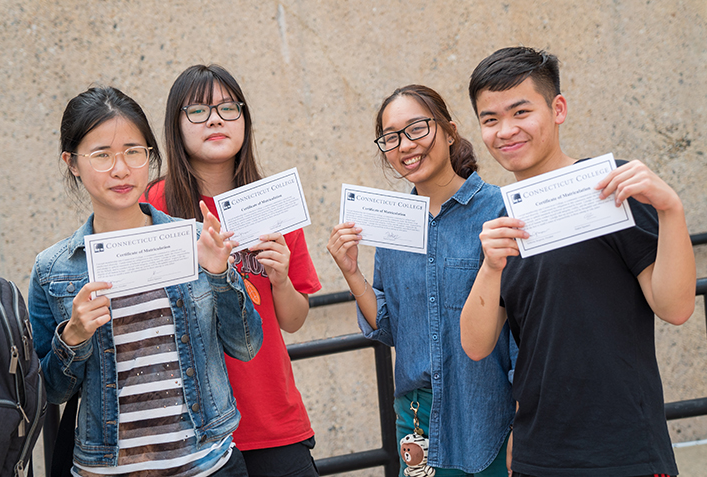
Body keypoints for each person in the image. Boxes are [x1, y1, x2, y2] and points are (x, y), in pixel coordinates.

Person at [461, 46, 696, 477]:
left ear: (558, 109)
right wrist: (490, 267)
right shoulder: (501, 223)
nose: (505, 130)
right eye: (490, 119)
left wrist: (671, 210)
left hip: (626, 450)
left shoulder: (613, 189)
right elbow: (476, 346)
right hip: (539, 453)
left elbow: (676, 307)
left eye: (520, 112)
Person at [29, 86, 263, 477]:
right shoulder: (54, 268)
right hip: (105, 469)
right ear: (72, 163)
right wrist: (73, 336)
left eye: (134, 152)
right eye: (101, 154)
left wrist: (221, 274)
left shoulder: (193, 241)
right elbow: (51, 391)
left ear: (150, 156)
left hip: (208, 465)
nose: (121, 169)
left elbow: (246, 346)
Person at [327, 84, 515, 476]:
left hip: (487, 414)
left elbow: (524, 330)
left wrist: (524, 420)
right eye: (391, 137)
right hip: (416, 421)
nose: (405, 145)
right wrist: (351, 272)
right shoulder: (394, 223)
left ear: (449, 132)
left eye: (416, 128)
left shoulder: (498, 209)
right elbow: (394, 329)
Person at [144, 64, 322, 477]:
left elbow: (294, 320)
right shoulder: (153, 208)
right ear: (176, 125)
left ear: (244, 120)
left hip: (271, 419)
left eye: (228, 108)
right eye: (198, 111)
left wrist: (279, 278)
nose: (215, 120)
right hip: (191, 429)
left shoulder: (272, 203)